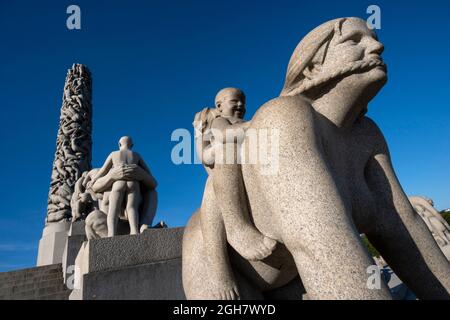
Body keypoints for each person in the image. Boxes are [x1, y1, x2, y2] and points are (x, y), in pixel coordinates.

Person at [193, 88, 276, 299]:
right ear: (220, 105)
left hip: (249, 168)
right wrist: (257, 125)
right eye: (234, 101)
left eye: (243, 102)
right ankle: (236, 226)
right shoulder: (220, 121)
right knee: (226, 149)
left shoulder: (243, 123)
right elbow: (225, 137)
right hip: (221, 168)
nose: (240, 105)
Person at [91, 136, 151, 236]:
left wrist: (94, 179)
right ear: (131, 145)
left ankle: (111, 233)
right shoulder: (136, 155)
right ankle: (134, 231)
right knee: (132, 208)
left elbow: (103, 170)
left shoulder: (114, 154)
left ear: (119, 144)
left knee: (113, 209)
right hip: (133, 183)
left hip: (118, 183)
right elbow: (147, 171)